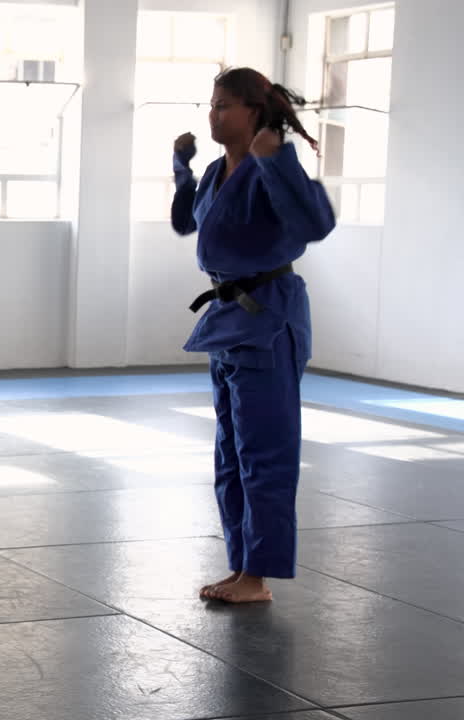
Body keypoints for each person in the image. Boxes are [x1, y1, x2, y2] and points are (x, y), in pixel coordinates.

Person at [171, 67, 336, 604]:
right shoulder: (221, 171)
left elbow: (314, 225)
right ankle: (241, 566)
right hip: (228, 320)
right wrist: (183, 167)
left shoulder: (272, 168)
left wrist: (276, 157)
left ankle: (258, 577)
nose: (213, 114)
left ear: (253, 112)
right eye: (211, 104)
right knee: (231, 453)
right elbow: (186, 221)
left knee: (265, 451)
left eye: (223, 105)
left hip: (268, 318)